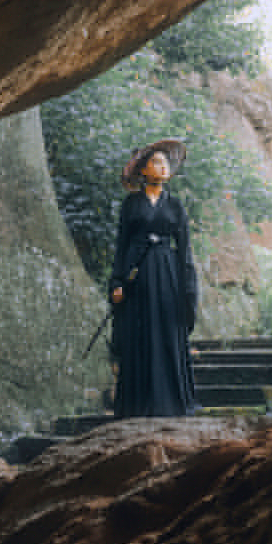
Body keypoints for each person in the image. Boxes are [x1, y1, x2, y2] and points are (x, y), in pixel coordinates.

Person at [107, 137, 200, 418]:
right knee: (138, 336)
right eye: (156, 163)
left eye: (165, 164)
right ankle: (136, 407)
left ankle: (171, 406)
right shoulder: (131, 205)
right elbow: (121, 246)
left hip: (168, 276)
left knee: (168, 334)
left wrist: (188, 291)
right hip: (137, 277)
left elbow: (184, 251)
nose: (162, 168)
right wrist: (117, 283)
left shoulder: (176, 206)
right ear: (143, 170)